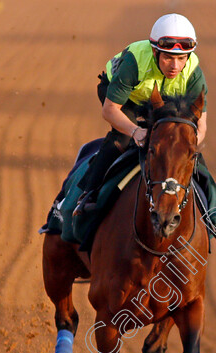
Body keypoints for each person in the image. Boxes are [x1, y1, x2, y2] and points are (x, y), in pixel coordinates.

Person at [73, 13, 208, 216]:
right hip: (122, 99)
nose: (175, 66)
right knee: (123, 138)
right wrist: (135, 131)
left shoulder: (194, 73)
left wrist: (186, 145)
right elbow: (109, 110)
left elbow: (202, 125)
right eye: (168, 58)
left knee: (184, 149)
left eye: (181, 59)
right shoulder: (134, 63)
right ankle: (88, 194)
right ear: (155, 53)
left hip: (158, 101)